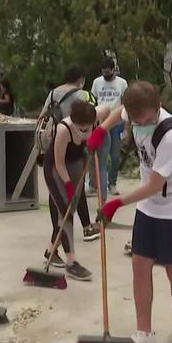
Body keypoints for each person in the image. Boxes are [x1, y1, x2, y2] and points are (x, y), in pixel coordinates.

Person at [88, 81, 172, 343]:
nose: (144, 123)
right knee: (140, 264)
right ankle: (144, 332)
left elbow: (155, 186)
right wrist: (101, 130)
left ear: (157, 107)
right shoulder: (132, 111)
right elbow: (119, 113)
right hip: (148, 205)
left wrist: (117, 203)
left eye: (149, 118)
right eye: (138, 120)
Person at [39, 67, 100, 242]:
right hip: (74, 148)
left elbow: (43, 116)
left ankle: (63, 231)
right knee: (74, 187)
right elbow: (94, 117)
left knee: (61, 190)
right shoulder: (83, 95)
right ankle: (82, 228)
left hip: (54, 145)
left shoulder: (53, 94)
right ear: (81, 78)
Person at [43, 100, 96, 281]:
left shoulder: (93, 117)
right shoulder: (64, 130)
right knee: (65, 213)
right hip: (56, 170)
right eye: (81, 129)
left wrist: (99, 135)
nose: (85, 132)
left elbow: (108, 110)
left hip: (76, 164)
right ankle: (71, 262)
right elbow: (58, 163)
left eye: (88, 128)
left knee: (69, 211)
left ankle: (50, 251)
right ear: (74, 123)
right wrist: (67, 185)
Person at [90, 57, 129, 197]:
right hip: (100, 122)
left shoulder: (122, 83)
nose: (106, 76)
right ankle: (93, 185)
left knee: (115, 156)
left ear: (114, 70)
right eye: (104, 73)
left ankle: (112, 183)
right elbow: (92, 101)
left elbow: (125, 104)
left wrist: (126, 127)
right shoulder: (97, 82)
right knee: (96, 154)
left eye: (108, 73)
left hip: (117, 122)